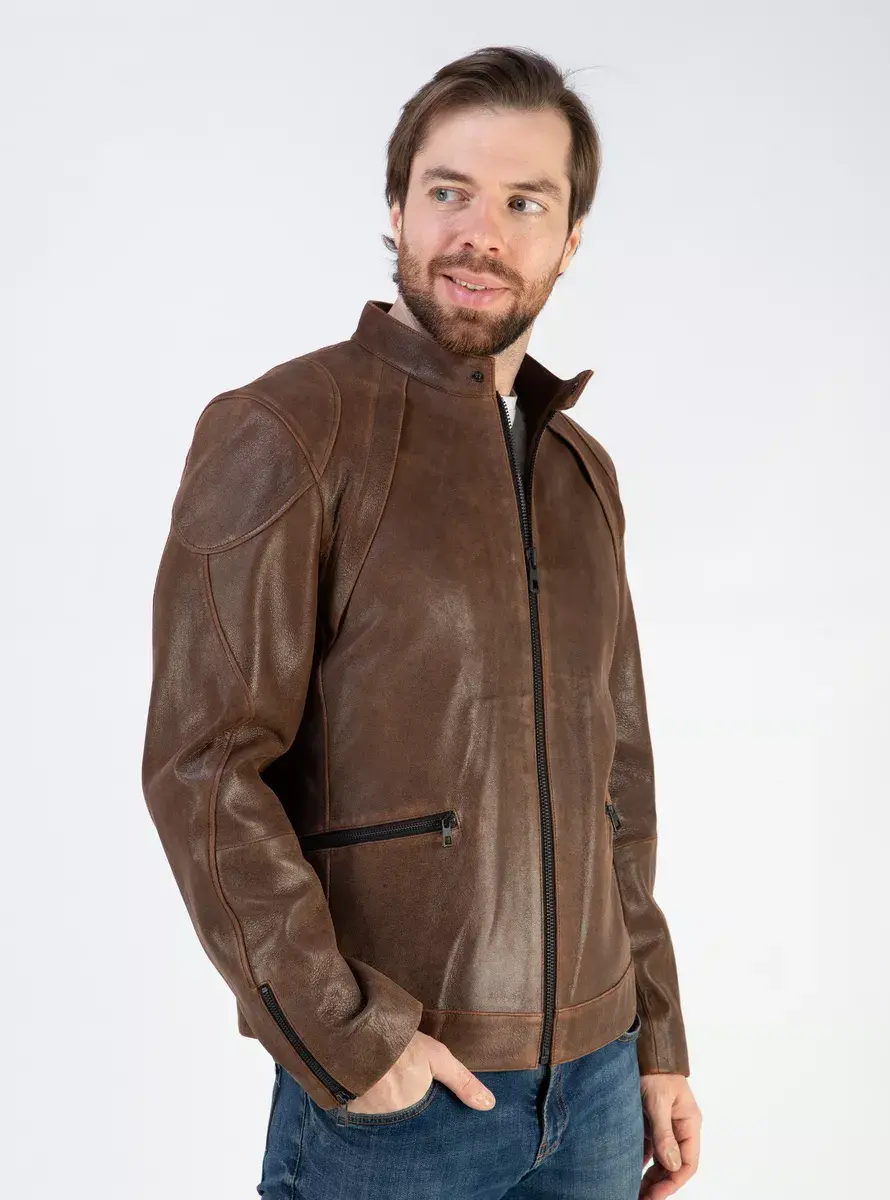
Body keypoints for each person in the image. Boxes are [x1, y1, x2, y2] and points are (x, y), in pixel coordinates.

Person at [141, 44, 702, 1200]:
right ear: (396, 208)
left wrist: (656, 1039)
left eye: (524, 202)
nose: (479, 234)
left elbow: (618, 782)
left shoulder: (579, 471)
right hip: (404, 1102)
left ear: (569, 238)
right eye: (450, 191)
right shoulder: (290, 431)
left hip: (600, 1094)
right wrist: (351, 1042)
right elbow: (205, 769)